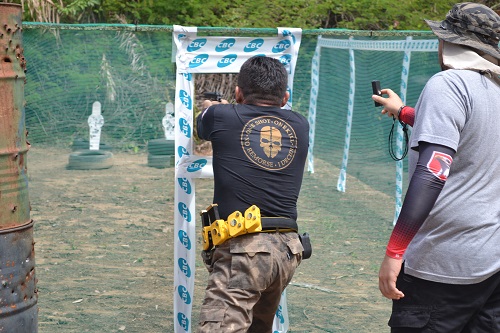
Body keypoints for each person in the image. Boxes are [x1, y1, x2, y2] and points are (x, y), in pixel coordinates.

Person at [372, 2, 500, 332]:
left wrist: (395, 251)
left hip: (442, 266)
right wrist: (403, 112)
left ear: (450, 43)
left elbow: (433, 171)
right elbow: (470, 133)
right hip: (491, 263)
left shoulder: (448, 84)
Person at [196, 55, 310, 333]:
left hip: (246, 249)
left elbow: (203, 125)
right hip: (287, 250)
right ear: (284, 98)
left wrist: (213, 107)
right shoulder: (300, 124)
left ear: (237, 93)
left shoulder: (220, 115)